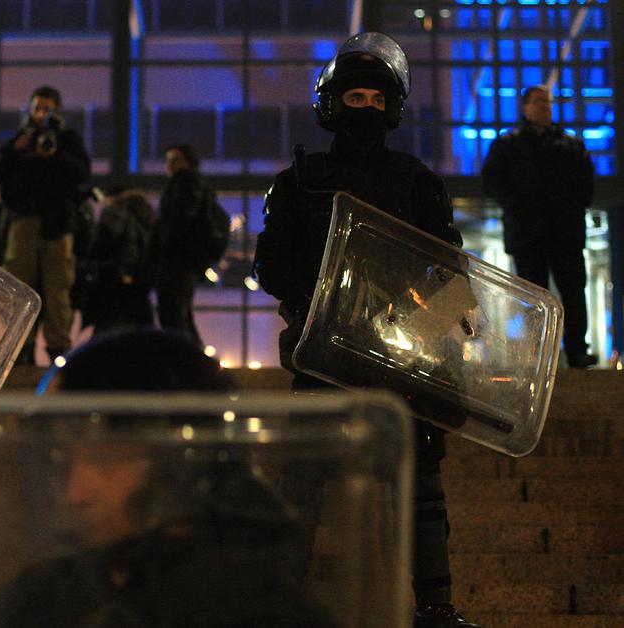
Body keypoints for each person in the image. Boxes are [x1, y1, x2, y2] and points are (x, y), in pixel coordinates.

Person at [253, 33, 478, 627]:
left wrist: (417, 315)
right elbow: (271, 266)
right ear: (333, 103)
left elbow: (447, 268)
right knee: (302, 479)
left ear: (394, 108)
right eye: (356, 97)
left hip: (403, 356)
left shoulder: (416, 180)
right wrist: (317, 304)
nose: (367, 109)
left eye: (378, 100)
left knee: (422, 482)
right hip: (324, 351)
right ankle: (279, 603)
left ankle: (436, 608)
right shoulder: (298, 181)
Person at [0, 328, 333, 627]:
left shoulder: (255, 611)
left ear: (187, 464)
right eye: (63, 462)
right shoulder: (60, 589)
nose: (75, 493)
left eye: (104, 458)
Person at [482, 85, 597, 368]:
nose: (545, 107)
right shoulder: (508, 144)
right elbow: (493, 182)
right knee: (534, 298)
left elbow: (586, 184)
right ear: (525, 107)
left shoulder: (570, 145)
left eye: (547, 102)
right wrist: (519, 206)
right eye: (539, 102)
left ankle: (575, 351)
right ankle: (538, 354)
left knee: (572, 291)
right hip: (529, 233)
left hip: (563, 232)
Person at [0, 85, 91, 364]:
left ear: (58, 111)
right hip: (23, 219)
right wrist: (16, 151)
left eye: (47, 109)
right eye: (38, 108)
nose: (41, 114)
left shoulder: (67, 140)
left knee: (58, 287)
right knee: (20, 286)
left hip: (57, 223)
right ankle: (22, 347)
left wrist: (56, 154)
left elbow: (82, 173)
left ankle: (57, 349)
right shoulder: (21, 139)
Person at [152, 144, 208, 346]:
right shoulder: (191, 183)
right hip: (185, 259)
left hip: (178, 258)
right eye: (168, 160)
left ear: (188, 162)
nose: (170, 164)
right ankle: (192, 357)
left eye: (175, 159)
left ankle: (185, 356)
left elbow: (179, 219)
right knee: (180, 314)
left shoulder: (185, 183)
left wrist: (163, 243)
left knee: (173, 313)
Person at [80, 189, 156, 334]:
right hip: (137, 280)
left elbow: (104, 241)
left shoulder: (115, 212)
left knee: (108, 327)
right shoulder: (146, 218)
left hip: (112, 277)